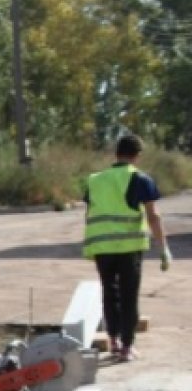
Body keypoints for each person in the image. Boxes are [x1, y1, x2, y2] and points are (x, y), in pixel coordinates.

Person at [82, 133, 172, 362]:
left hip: (102, 246)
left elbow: (89, 213)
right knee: (128, 294)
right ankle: (127, 346)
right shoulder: (140, 179)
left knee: (110, 293)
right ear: (137, 156)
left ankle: (113, 340)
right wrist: (163, 248)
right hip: (129, 247)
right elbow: (153, 216)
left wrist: (93, 245)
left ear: (117, 154)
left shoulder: (95, 180)